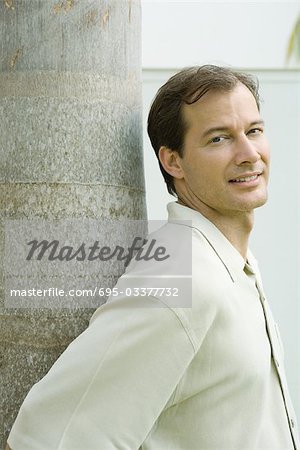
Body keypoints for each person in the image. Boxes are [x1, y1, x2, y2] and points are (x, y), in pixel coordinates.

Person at [6, 65, 300, 449]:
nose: (248, 154)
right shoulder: (180, 273)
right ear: (173, 161)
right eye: (218, 138)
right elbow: (50, 438)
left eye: (254, 131)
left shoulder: (230, 263)